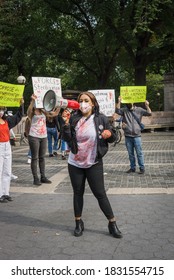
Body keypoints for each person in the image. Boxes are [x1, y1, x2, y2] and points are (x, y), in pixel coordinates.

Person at [61, 91, 122, 238]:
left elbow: (112, 137)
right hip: (75, 162)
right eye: (80, 100)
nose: (83, 103)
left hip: (93, 162)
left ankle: (112, 223)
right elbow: (67, 139)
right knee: (77, 193)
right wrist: (66, 124)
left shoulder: (100, 119)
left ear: (93, 103)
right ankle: (78, 222)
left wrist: (109, 135)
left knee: (100, 194)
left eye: (86, 100)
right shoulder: (74, 118)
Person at [27, 94, 60, 186]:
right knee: (35, 158)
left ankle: (43, 177)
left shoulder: (43, 111)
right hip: (34, 136)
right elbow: (29, 111)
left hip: (43, 136)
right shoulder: (32, 112)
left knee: (42, 157)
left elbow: (55, 114)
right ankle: (35, 178)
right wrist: (32, 100)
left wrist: (59, 105)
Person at [115, 96, 152, 174]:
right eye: (127, 102)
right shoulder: (124, 110)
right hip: (128, 136)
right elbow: (117, 110)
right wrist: (119, 101)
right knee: (130, 153)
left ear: (133, 102)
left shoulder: (139, 110)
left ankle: (142, 168)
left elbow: (149, 113)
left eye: (130, 102)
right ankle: (132, 168)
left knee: (139, 153)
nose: (128, 103)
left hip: (137, 136)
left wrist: (147, 105)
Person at [0, 99, 24, 203]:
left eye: (2, 109)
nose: (1, 111)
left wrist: (21, 104)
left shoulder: (7, 120)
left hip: (7, 146)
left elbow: (18, 116)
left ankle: (6, 193)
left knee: (7, 171)